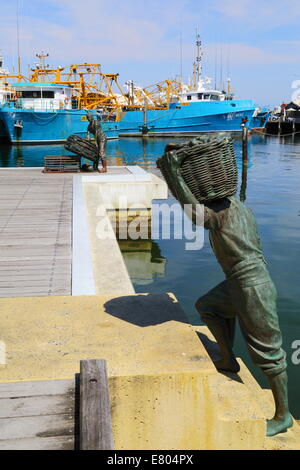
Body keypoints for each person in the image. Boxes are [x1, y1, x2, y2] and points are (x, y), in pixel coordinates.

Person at [157, 142, 293, 437]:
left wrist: (175, 173)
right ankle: (228, 358)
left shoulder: (218, 213)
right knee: (208, 307)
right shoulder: (238, 204)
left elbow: (194, 213)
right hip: (241, 282)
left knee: (269, 354)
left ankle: (284, 415)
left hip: (251, 286)